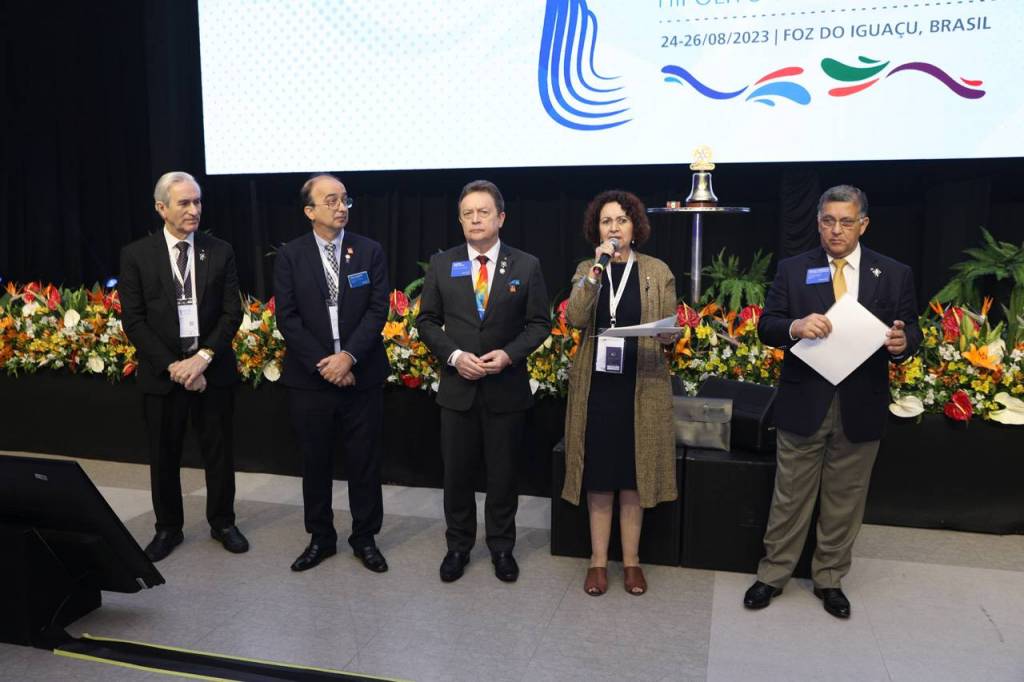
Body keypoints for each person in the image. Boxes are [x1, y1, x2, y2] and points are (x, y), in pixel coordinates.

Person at [744, 184, 922, 618]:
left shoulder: (892, 273)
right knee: (790, 495)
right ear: (818, 223)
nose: (836, 230)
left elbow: (911, 331)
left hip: (861, 403)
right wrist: (795, 326)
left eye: (845, 222)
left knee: (846, 498)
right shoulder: (793, 269)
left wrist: (903, 344)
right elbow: (767, 326)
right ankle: (773, 574)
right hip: (804, 400)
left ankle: (829, 578)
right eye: (828, 221)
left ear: (863, 224)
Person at [416, 180, 550, 583]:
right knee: (456, 475)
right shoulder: (443, 264)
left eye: (483, 212)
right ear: (460, 220)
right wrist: (455, 357)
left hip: (505, 389)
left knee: (503, 476)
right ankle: (458, 546)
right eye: (468, 213)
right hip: (458, 391)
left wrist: (508, 354)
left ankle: (502, 548)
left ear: (500, 218)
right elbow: (427, 321)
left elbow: (539, 323)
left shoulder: (526, 265)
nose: (476, 219)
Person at [119, 171, 248, 562]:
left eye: (198, 202)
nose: (194, 210)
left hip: (212, 370)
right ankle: (167, 528)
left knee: (219, 452)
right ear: (162, 208)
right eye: (184, 203)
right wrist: (174, 366)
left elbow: (232, 312)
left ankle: (223, 522)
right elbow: (134, 320)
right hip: (164, 375)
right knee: (164, 455)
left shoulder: (220, 251)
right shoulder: (136, 255)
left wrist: (202, 358)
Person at [561, 190, 679, 596]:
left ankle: (631, 562)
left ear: (635, 227)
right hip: (597, 388)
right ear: (597, 229)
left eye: (622, 220)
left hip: (641, 383)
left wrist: (668, 336)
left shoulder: (656, 270)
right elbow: (576, 318)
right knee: (599, 475)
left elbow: (670, 325)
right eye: (606, 221)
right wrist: (596, 272)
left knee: (633, 476)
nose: (614, 228)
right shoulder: (587, 268)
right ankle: (597, 561)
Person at [274, 173, 391, 573]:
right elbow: (287, 318)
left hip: (362, 374)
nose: (341, 207)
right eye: (331, 201)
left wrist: (348, 358)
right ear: (310, 211)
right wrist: (326, 364)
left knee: (364, 462)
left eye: (344, 200)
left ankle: (365, 538)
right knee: (315, 462)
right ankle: (320, 538)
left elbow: (378, 309)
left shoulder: (369, 251)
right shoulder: (291, 255)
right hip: (311, 379)